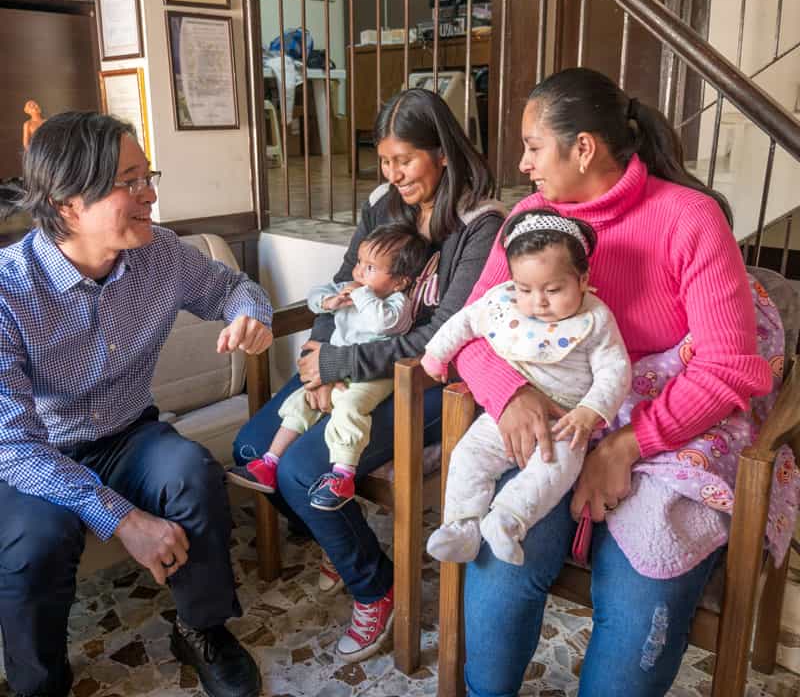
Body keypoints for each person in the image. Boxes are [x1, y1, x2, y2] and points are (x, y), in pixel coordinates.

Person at [453, 68, 798, 697]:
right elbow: (473, 328)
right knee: (503, 561)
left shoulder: (690, 218)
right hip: (559, 412)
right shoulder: (529, 219)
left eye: (533, 145)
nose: (523, 163)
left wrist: (623, 445)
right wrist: (511, 393)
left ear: (583, 147)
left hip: (670, 424)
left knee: (644, 589)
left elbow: (726, 366)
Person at [0, 112, 273, 697]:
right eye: (130, 181)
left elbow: (231, 286)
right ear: (68, 202)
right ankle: (39, 683)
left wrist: (253, 312)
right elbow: (12, 444)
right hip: (36, 455)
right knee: (32, 544)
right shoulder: (7, 290)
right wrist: (122, 519)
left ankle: (201, 630)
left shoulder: (161, 256)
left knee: (193, 473)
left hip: (127, 434)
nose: (150, 193)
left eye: (148, 175)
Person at [233, 88, 505, 663]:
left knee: (306, 470)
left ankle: (375, 590)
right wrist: (319, 353)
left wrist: (339, 366)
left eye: (404, 158)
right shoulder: (384, 202)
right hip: (353, 356)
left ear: (444, 153)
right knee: (253, 447)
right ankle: (354, 549)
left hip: (427, 380)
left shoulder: (482, 225)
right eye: (384, 159)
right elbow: (340, 285)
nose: (392, 172)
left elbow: (443, 337)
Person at [422, 209, 631, 566]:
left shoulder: (595, 319)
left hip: (565, 421)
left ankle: (507, 520)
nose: (538, 302)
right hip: (504, 414)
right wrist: (436, 354)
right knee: (468, 456)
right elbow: (466, 321)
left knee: (555, 468)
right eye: (524, 289)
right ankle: (462, 527)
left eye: (553, 289)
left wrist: (590, 411)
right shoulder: (502, 302)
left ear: (582, 279)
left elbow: (615, 369)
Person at [228, 223, 428, 511]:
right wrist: (329, 300)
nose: (359, 271)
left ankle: (342, 475)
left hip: (373, 374)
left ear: (400, 282)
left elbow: (383, 323)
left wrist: (360, 295)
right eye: (359, 262)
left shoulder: (397, 303)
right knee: (300, 401)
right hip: (335, 366)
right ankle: (269, 463)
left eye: (370, 268)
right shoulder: (351, 289)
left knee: (349, 406)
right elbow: (315, 298)